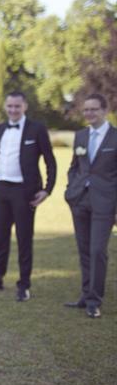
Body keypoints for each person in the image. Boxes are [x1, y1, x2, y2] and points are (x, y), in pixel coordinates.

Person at [0, 91, 56, 301]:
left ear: (25, 106)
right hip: (0, 189)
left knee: (24, 238)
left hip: (23, 191)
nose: (13, 110)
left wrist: (47, 189)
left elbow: (50, 160)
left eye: (17, 106)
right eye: (10, 106)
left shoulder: (36, 129)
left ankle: (23, 285)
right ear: (5, 107)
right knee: (1, 236)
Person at [63, 93, 116, 318]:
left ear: (104, 110)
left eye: (94, 109)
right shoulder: (81, 135)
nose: (89, 113)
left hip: (105, 202)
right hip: (80, 199)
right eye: (86, 109)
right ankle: (85, 295)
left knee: (97, 251)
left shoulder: (115, 137)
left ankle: (95, 300)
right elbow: (75, 166)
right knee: (84, 250)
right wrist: (71, 189)